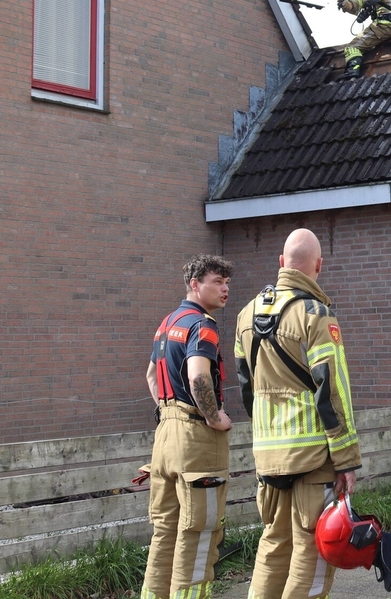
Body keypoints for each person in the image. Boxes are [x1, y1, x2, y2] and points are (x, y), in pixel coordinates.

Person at [234, 228, 362, 599]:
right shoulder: (316, 315)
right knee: (312, 550)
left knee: (274, 543)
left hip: (268, 457)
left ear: (281, 264)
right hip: (312, 458)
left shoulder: (245, 315)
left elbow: (246, 389)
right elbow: (332, 391)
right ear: (318, 266)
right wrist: (347, 459)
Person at [141, 254, 234, 599]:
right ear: (195, 284)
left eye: (227, 282)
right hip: (196, 440)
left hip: (165, 435)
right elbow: (198, 375)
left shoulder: (167, 324)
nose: (225, 289)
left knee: (165, 531)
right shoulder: (202, 324)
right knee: (199, 532)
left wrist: (170, 412)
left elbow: (152, 375)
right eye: (217, 282)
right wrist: (213, 417)